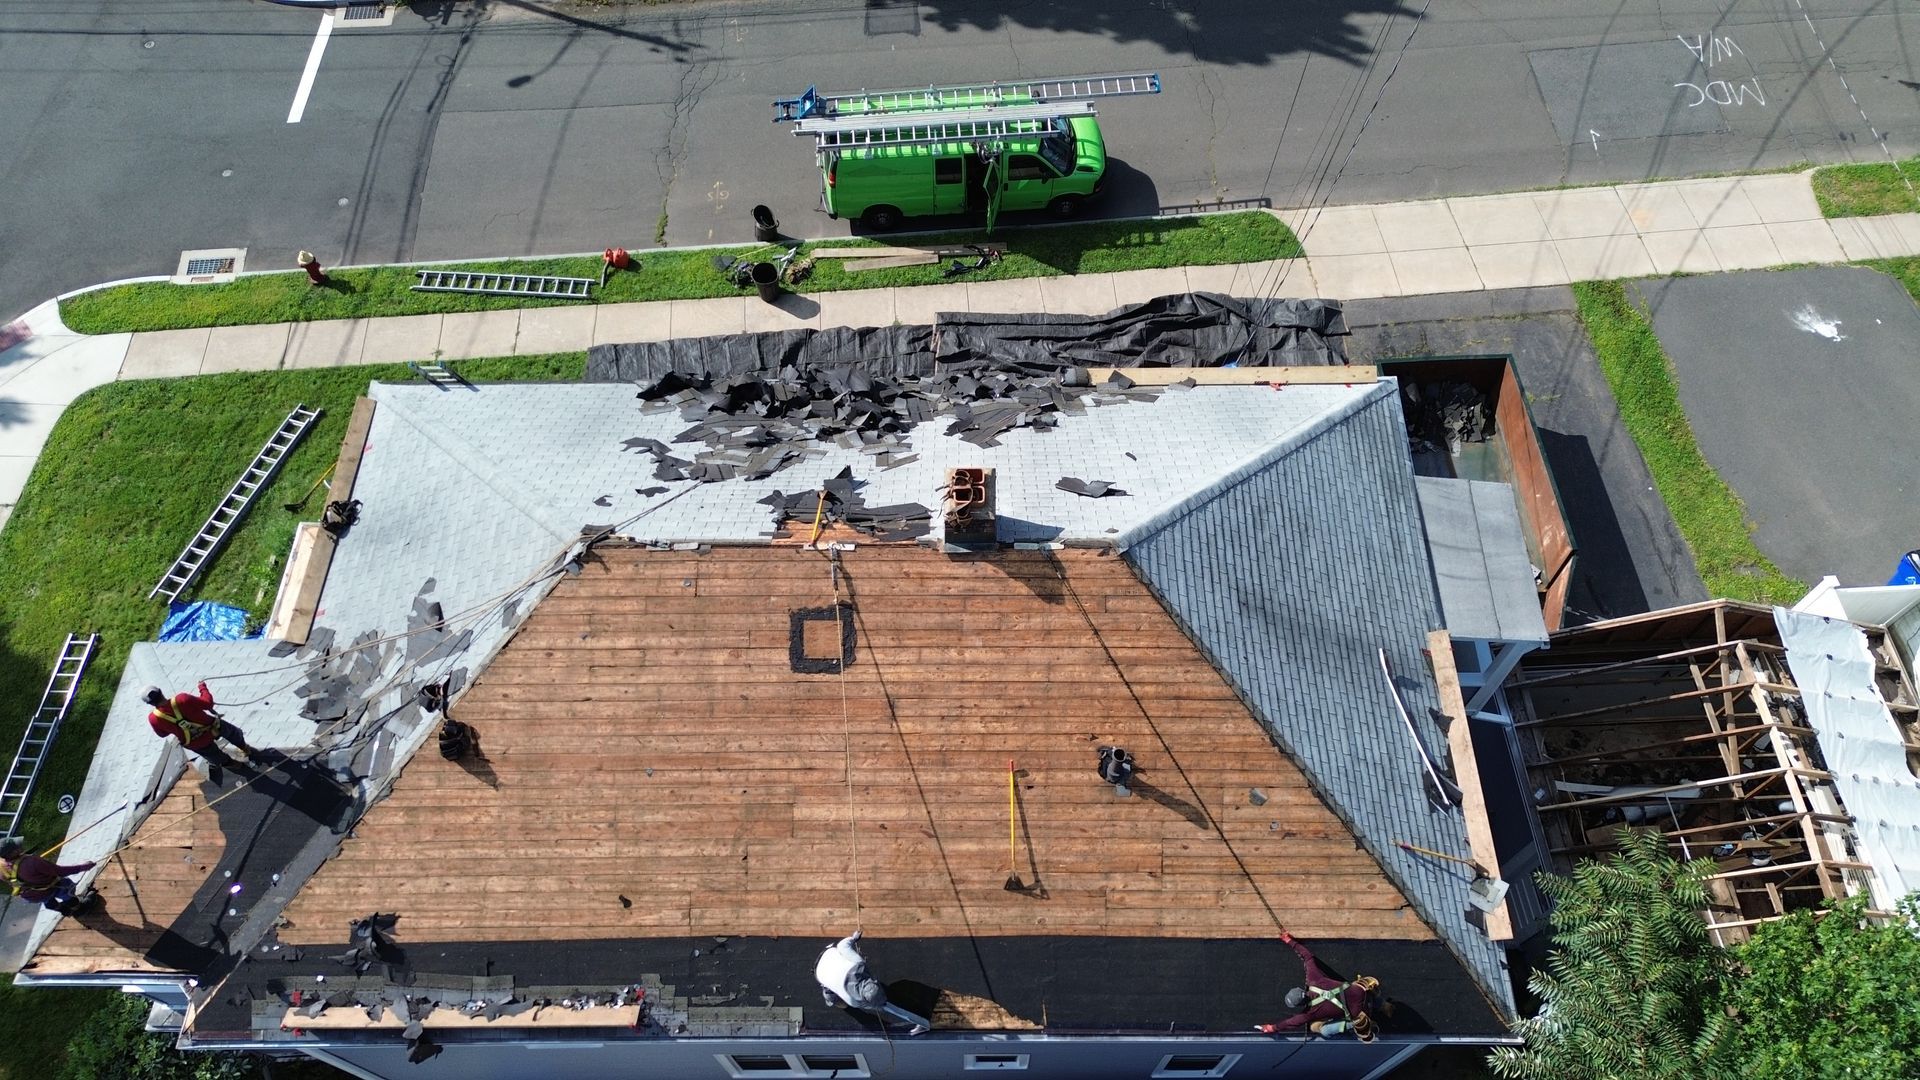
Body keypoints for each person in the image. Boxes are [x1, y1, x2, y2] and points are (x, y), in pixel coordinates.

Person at [1258, 931, 1384, 1041]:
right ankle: (1383, 1004)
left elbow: (1291, 1023)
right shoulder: (1315, 979)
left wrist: (1272, 1028)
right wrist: (1290, 941)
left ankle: (1357, 1025)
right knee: (1356, 992)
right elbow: (1308, 957)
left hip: (1362, 1014)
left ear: (1300, 1005)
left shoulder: (1309, 1014)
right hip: (1363, 991)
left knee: (1322, 1030)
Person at [814, 931, 930, 1036]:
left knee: (889, 1007)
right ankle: (923, 1024)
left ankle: (925, 1024)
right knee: (831, 997)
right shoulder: (853, 993)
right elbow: (842, 945)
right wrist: (852, 938)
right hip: (825, 961)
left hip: (825, 963)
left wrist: (853, 938)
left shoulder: (857, 965)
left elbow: (843, 946)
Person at [145, 683, 256, 785]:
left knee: (214, 756)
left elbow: (162, 734)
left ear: (149, 703)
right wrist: (202, 688)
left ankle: (233, 764)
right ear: (161, 691)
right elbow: (208, 703)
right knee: (233, 734)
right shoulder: (182, 699)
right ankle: (245, 748)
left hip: (195, 742)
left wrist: (173, 727)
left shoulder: (154, 719)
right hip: (213, 728)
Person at [0, 839, 95, 914]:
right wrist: (84, 867)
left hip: (29, 895)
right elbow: (60, 871)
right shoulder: (32, 862)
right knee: (66, 888)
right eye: (16, 847)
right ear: (12, 853)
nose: (19, 846)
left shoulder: (1, 865)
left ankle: (64, 910)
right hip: (49, 888)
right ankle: (79, 908)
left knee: (46, 899)